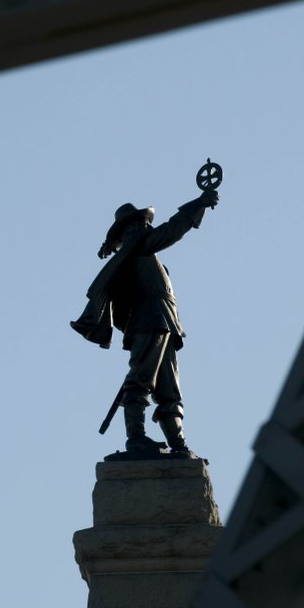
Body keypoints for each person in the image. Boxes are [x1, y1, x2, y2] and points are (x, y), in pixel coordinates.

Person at [71, 189, 219, 457]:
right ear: (132, 229)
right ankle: (136, 438)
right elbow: (171, 231)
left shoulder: (138, 252)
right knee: (141, 381)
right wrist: (199, 204)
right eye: (142, 222)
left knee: (169, 390)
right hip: (150, 320)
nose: (147, 225)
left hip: (164, 322)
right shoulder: (139, 247)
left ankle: (178, 444)